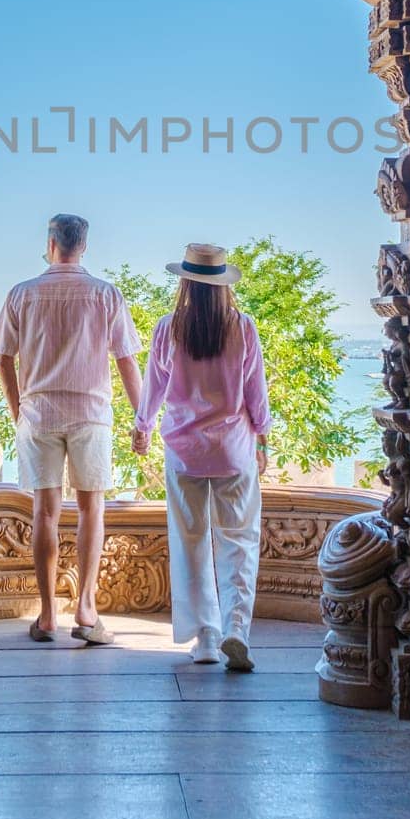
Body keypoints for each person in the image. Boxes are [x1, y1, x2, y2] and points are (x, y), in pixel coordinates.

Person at [0, 214, 142, 645]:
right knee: (91, 510)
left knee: (45, 511)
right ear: (84, 246)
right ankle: (86, 608)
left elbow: (4, 357)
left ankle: (46, 616)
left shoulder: (22, 294)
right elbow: (127, 361)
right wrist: (142, 417)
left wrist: (16, 409)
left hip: (38, 413)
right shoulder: (105, 295)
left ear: (50, 243)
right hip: (91, 414)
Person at [132, 242, 271, 671]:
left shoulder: (167, 329)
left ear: (185, 284)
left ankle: (206, 638)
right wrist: (263, 438)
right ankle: (235, 630)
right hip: (233, 451)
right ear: (223, 285)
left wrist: (142, 428)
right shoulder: (243, 327)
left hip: (185, 453)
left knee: (190, 542)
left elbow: (153, 388)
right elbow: (255, 393)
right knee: (239, 541)